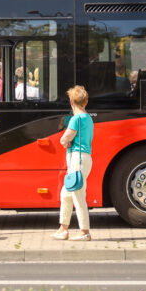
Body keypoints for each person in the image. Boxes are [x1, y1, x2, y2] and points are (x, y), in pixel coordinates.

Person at [52, 85, 93, 242]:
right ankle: (63, 229)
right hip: (84, 158)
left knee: (77, 195)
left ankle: (84, 231)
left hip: (77, 159)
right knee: (66, 195)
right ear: (86, 101)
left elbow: (64, 138)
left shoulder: (76, 119)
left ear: (71, 102)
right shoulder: (88, 118)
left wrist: (66, 142)